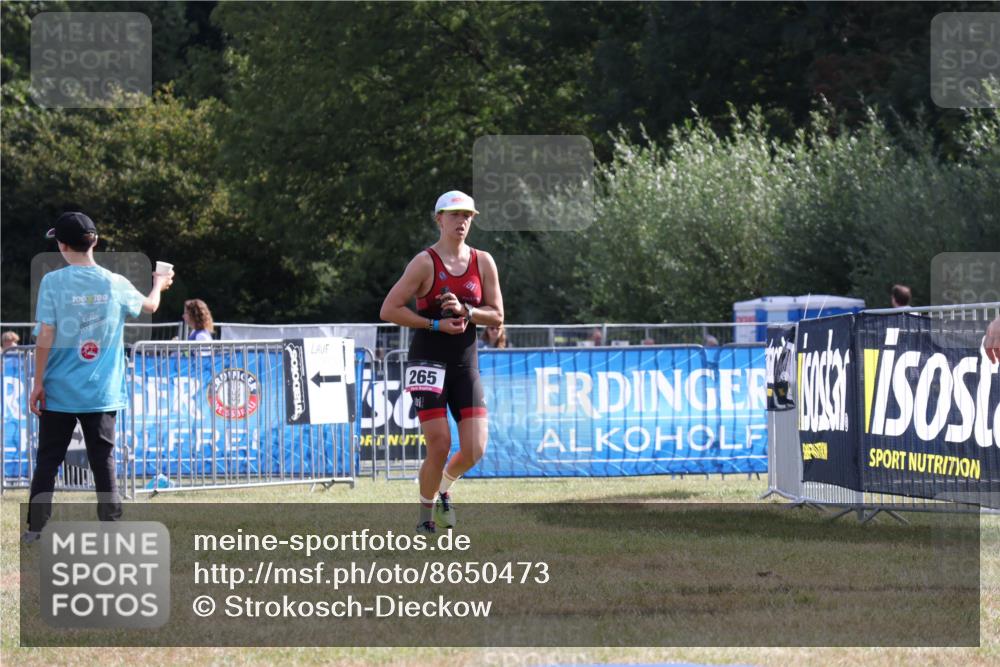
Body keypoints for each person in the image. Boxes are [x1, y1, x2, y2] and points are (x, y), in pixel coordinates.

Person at [23, 212, 173, 543]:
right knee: (103, 460)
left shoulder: (52, 282)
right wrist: (159, 283)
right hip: (102, 390)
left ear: (62, 245)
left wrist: (37, 382)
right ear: (95, 241)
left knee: (48, 460)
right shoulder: (114, 282)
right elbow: (149, 306)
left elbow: (45, 334)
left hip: (58, 388)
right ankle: (111, 527)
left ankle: (36, 529)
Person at [381, 190, 504, 534]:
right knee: (439, 442)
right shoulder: (424, 262)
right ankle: (425, 516)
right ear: (439, 219)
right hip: (428, 361)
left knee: (475, 448)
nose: (461, 221)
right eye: (454, 215)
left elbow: (497, 316)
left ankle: (446, 485)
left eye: (467, 216)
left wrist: (468, 311)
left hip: (465, 363)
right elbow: (389, 309)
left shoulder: (483, 261)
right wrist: (435, 323)